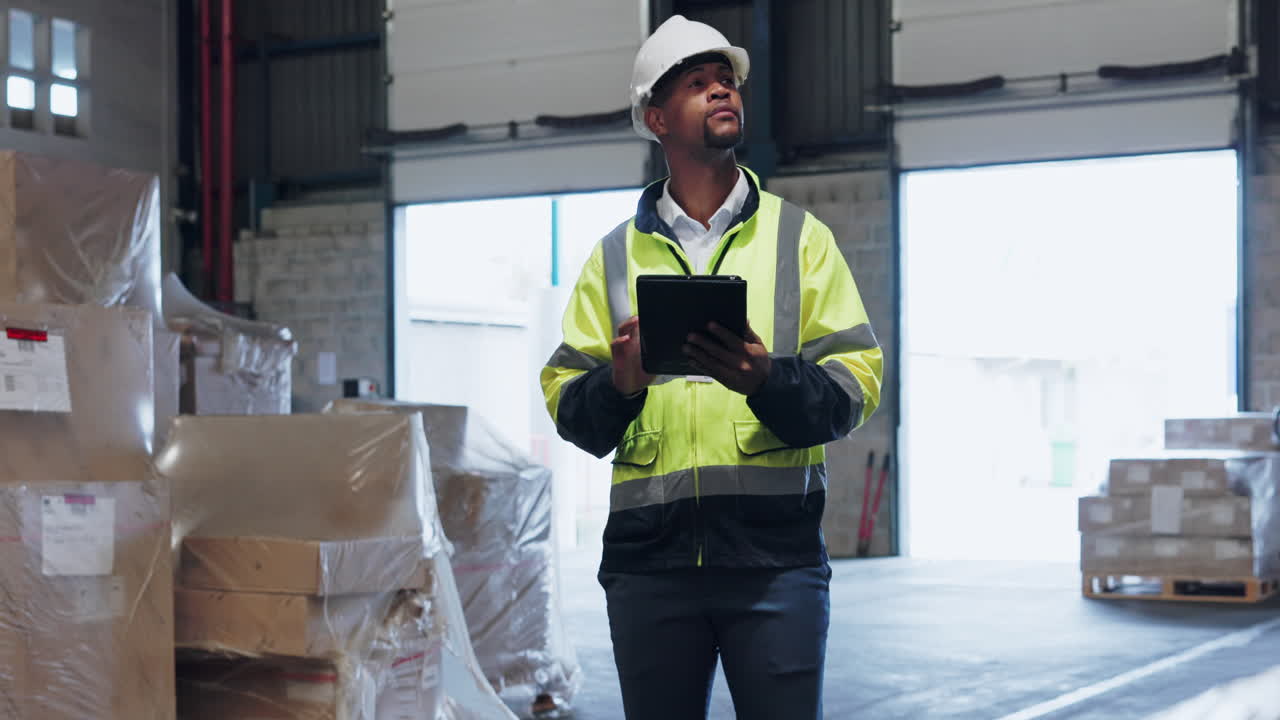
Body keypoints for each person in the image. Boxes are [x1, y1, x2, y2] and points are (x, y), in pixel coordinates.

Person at [540, 14, 883, 720]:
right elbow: (570, 407)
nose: (723, 91)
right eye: (698, 84)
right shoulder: (612, 256)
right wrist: (620, 384)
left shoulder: (799, 238)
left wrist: (766, 378)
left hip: (775, 566)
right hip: (650, 569)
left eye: (727, 81)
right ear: (657, 118)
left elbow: (856, 385)